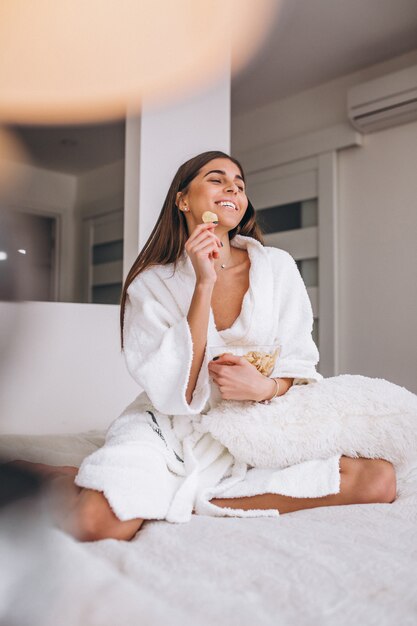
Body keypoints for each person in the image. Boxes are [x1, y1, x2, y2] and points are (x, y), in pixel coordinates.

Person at [12, 151, 396, 541]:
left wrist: (264, 388)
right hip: (170, 426)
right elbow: (168, 389)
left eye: (239, 184)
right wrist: (203, 282)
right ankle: (73, 477)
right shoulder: (152, 284)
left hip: (253, 430)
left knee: (377, 480)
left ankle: (179, 495)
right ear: (183, 200)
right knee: (98, 523)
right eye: (216, 179)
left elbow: (299, 364)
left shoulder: (277, 268)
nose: (232, 187)